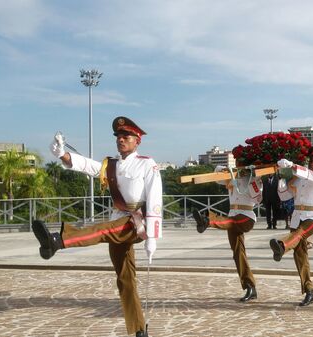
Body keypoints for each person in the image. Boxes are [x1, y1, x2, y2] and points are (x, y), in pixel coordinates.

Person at [31, 116, 162, 337]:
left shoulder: (146, 163)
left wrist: (153, 237)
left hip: (136, 222)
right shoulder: (111, 164)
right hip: (118, 217)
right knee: (125, 279)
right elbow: (87, 165)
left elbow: (156, 198)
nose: (121, 140)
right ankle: (139, 330)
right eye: (118, 136)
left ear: (137, 141)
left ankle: (57, 240)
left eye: (126, 136)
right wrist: (62, 153)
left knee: (103, 230)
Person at [268, 146, 313, 306]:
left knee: (301, 233)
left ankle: (282, 246)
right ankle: (309, 291)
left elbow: (308, 174)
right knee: (301, 256)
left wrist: (292, 167)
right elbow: (284, 196)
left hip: (312, 218)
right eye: (311, 161)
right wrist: (282, 178)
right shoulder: (299, 179)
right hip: (297, 217)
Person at [192, 166, 263, 302]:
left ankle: (207, 220)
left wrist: (251, 178)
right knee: (238, 253)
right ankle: (250, 287)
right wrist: (224, 168)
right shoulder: (231, 176)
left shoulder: (254, 179)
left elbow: (258, 199)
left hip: (246, 216)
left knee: (231, 221)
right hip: (232, 215)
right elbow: (216, 176)